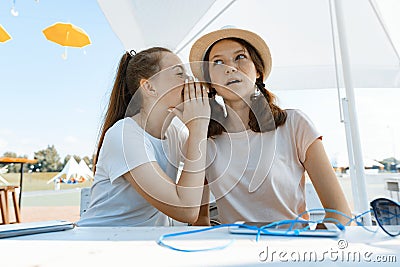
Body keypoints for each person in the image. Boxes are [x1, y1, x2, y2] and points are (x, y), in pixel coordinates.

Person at [189, 28, 352, 225]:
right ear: (210, 83)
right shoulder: (204, 141)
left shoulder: (295, 124)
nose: (230, 68)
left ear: (258, 71)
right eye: (218, 62)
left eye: (240, 57)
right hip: (232, 252)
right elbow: (200, 219)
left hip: (291, 250)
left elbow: (340, 214)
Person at [77, 47, 210, 226]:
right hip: (102, 243)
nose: (190, 81)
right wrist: (199, 127)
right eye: (179, 74)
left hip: (142, 244)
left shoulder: (175, 134)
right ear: (149, 87)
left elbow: (205, 164)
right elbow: (185, 210)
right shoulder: (124, 135)